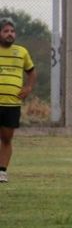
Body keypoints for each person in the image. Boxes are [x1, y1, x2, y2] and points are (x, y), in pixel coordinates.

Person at [0, 18, 37, 183]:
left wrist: (28, 88)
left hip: (12, 104)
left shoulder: (21, 52)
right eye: (6, 31)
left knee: (7, 138)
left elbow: (31, 72)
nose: (9, 34)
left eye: (12, 31)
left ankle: (2, 172)